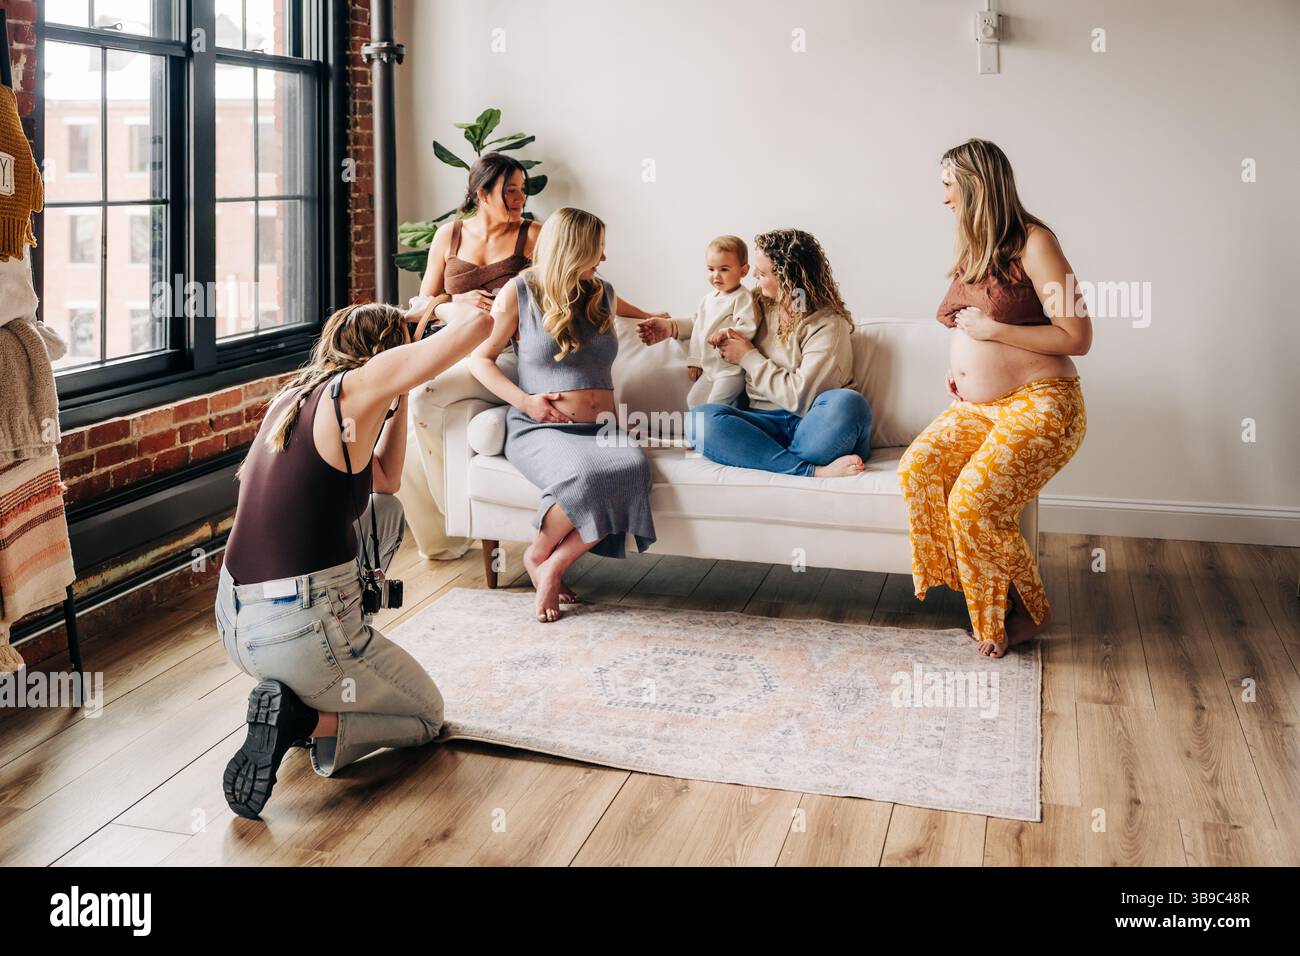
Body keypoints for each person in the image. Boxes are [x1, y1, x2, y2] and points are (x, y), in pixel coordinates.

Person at [216, 302, 491, 818]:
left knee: (385, 508)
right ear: (390, 352)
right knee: (427, 716)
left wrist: (401, 392)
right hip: (295, 629)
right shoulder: (362, 382)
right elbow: (480, 327)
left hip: (238, 624)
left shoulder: (296, 395)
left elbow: (385, 480)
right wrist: (437, 310)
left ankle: (308, 684)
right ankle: (302, 721)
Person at [897, 138, 1091, 658]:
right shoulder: (975, 250)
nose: (943, 199)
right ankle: (976, 583)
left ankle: (1022, 612)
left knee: (973, 504)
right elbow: (968, 324)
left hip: (1042, 402)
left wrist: (993, 332)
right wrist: (959, 369)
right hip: (978, 406)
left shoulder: (1036, 244)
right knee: (918, 468)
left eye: (948, 185)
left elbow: (1077, 337)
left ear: (975, 184)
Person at [469, 207, 669, 623]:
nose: (604, 257)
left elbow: (641, 313)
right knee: (588, 476)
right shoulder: (520, 292)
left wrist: (663, 321)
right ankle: (542, 558)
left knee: (633, 468)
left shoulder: (602, 292)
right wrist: (526, 403)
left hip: (601, 431)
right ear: (573, 248)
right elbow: (480, 360)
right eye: (598, 248)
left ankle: (548, 564)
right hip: (541, 426)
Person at [639, 228, 872, 478]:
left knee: (848, 403)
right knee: (700, 419)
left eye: (761, 274)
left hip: (810, 424)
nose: (754, 278)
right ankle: (809, 470)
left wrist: (747, 356)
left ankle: (768, 458)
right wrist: (672, 327)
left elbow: (800, 398)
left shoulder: (827, 325)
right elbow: (712, 319)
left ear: (787, 278)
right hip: (760, 423)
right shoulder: (759, 302)